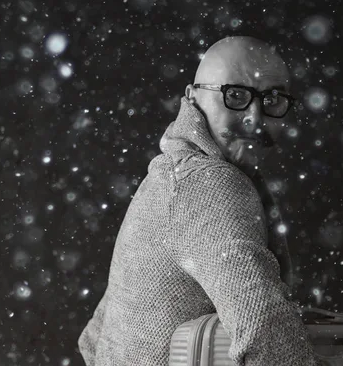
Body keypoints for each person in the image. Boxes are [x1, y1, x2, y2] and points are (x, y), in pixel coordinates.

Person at [78, 36, 322, 365]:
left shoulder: (165, 175)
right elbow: (263, 324)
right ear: (193, 98)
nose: (255, 117)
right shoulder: (209, 182)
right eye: (235, 95)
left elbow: (95, 335)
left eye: (273, 100)